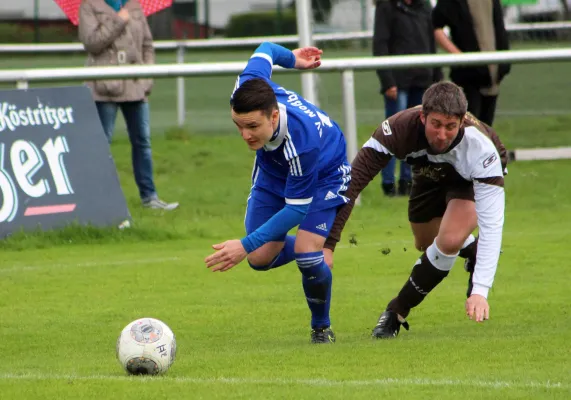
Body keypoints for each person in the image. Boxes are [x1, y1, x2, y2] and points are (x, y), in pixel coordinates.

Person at [324, 81, 508, 338]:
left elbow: (492, 225)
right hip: (429, 172)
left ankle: (396, 311)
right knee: (425, 243)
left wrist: (480, 290)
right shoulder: (398, 130)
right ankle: (473, 251)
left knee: (448, 241)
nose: (442, 135)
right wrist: (328, 245)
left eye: (451, 126)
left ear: (462, 121)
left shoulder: (481, 151)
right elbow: (352, 185)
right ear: (423, 117)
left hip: (468, 179)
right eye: (436, 125)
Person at [203, 42, 352, 344]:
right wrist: (293, 60)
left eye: (252, 126)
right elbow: (266, 49)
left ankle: (321, 328)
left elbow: (296, 210)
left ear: (273, 118)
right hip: (273, 170)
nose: (245, 135)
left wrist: (242, 244)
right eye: (238, 125)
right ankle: (312, 247)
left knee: (308, 257)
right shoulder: (246, 84)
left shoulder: (303, 141)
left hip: (325, 172)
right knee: (258, 258)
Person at [78, 0, 178, 210]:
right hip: (104, 86)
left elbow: (147, 45)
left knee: (142, 142)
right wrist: (117, 21)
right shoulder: (89, 6)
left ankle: (149, 197)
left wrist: (147, 76)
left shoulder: (134, 6)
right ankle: (99, 199)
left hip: (135, 85)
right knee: (102, 144)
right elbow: (91, 43)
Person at [373, 0, 442, 197]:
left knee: (417, 133)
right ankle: (388, 182)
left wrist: (437, 77)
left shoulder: (425, 7)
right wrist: (387, 81)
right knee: (393, 133)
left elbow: (431, 43)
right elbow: (380, 44)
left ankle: (408, 180)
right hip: (398, 81)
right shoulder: (387, 6)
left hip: (422, 79)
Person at [432, 0, 511, 127]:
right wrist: (460, 56)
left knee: (486, 130)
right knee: (468, 129)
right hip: (468, 75)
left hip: (494, 73)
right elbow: (436, 27)